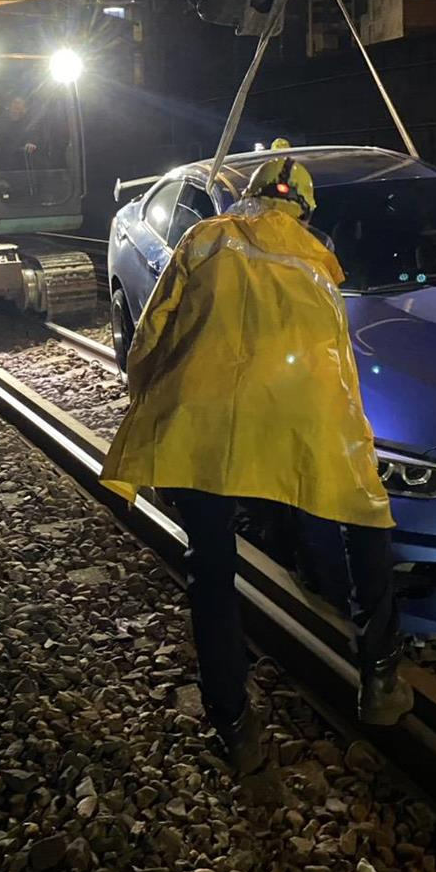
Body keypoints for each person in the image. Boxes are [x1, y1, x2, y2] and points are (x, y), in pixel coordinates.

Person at [100, 155, 411, 775]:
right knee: (366, 518)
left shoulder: (203, 238)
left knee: (211, 574)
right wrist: (350, 447)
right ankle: (379, 680)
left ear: (248, 196)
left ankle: (235, 725)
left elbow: (151, 334)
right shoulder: (319, 263)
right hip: (298, 424)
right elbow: (338, 368)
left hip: (204, 429)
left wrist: (145, 400)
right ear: (302, 206)